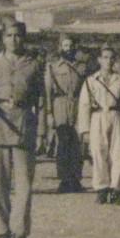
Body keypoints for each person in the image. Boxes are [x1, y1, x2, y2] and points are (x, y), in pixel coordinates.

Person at [0, 19, 44, 238]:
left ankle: (19, 234)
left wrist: (41, 129)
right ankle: (1, 233)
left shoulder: (34, 65)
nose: (13, 40)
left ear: (23, 38)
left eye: (17, 35)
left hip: (23, 124)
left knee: (24, 184)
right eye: (9, 36)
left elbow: (40, 99)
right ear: (2, 38)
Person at [77, 44, 120, 205]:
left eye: (111, 58)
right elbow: (84, 105)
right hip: (97, 117)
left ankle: (116, 188)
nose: (108, 61)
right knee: (98, 152)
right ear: (99, 60)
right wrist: (85, 130)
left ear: (115, 60)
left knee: (117, 153)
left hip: (116, 116)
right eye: (105, 58)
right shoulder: (91, 81)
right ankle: (101, 188)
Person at [45, 34, 86, 192]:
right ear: (60, 47)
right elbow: (48, 91)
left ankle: (76, 179)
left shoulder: (81, 67)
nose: (68, 48)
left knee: (77, 145)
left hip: (77, 105)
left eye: (71, 45)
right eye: (65, 45)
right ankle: (64, 179)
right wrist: (49, 113)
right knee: (62, 143)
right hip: (60, 105)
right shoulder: (53, 67)